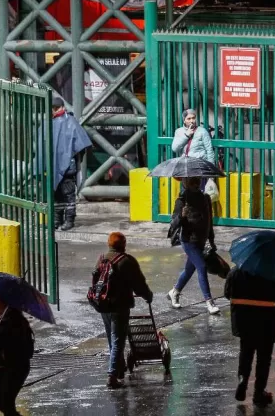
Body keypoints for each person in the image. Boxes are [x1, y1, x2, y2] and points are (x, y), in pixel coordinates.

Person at [224, 267, 275, 407]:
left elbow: (227, 293)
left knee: (246, 352)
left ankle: (242, 379)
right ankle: (259, 393)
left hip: (243, 321)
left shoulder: (235, 272)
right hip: (266, 322)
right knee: (264, 358)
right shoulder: (272, 272)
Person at [99, 232, 154, 388]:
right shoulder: (126, 261)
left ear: (108, 244)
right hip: (119, 306)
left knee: (112, 338)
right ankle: (111, 375)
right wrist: (148, 296)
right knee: (118, 340)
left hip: (103, 305)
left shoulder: (102, 258)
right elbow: (139, 285)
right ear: (123, 244)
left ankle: (120, 368)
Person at [166, 177, 220, 315]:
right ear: (185, 184)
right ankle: (209, 301)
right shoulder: (182, 200)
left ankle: (175, 291)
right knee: (201, 267)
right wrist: (181, 216)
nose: (195, 184)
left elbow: (209, 221)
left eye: (197, 181)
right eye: (191, 182)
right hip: (188, 240)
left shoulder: (205, 198)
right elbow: (173, 224)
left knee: (190, 269)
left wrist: (211, 240)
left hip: (201, 239)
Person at [50, 97, 92, 231]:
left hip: (68, 167)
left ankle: (69, 220)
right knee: (57, 195)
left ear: (62, 107)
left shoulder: (70, 122)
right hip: (57, 166)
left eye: (56, 108)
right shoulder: (53, 122)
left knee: (68, 195)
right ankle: (57, 220)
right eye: (53, 108)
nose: (54, 111)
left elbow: (80, 143)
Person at [172, 109, 216, 191]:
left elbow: (209, 151)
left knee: (200, 191)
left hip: (199, 167)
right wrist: (186, 135)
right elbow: (175, 148)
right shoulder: (179, 131)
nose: (192, 121)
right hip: (186, 167)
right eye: (189, 119)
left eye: (193, 118)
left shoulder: (202, 131)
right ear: (184, 120)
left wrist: (211, 173)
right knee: (185, 192)